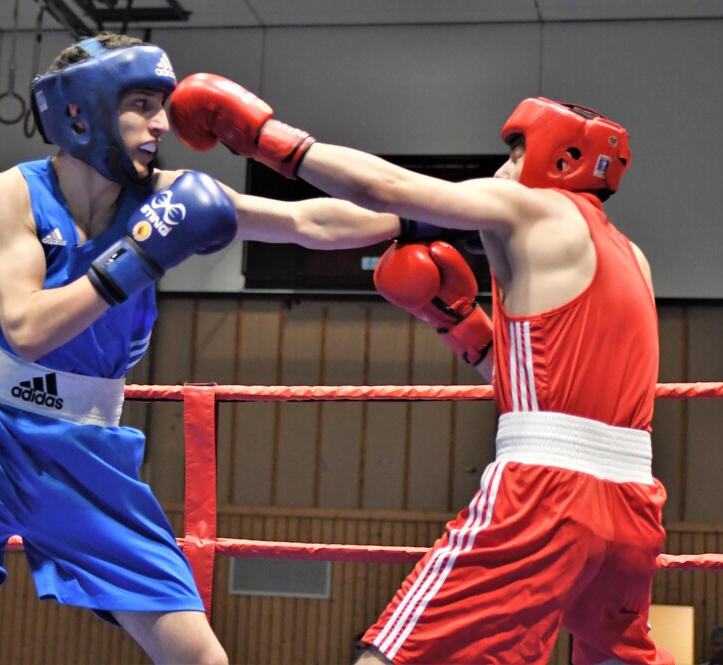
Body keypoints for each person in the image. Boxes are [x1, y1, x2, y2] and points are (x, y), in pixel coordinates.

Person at [0, 33, 408, 665]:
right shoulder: (10, 194)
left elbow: (308, 223)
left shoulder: (169, 194)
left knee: (201, 660)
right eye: (142, 104)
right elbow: (24, 327)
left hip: (90, 452)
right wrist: (140, 254)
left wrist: (430, 216)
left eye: (164, 104)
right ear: (83, 112)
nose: (163, 123)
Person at [168, 75, 671, 664]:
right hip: (635, 508)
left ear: (559, 158)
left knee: (393, 656)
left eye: (514, 152)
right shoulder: (634, 258)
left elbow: (387, 189)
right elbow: (558, 389)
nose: (503, 167)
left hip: (545, 496)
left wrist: (265, 138)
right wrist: (462, 328)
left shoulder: (531, 207)